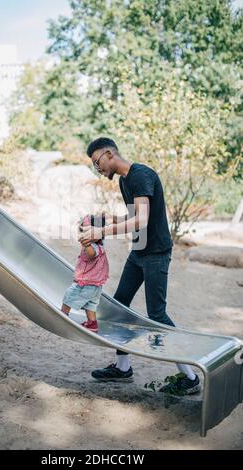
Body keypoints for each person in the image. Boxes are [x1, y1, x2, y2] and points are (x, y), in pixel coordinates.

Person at [79, 137, 200, 395]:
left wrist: (103, 230)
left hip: (156, 253)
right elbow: (134, 217)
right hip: (139, 253)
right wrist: (107, 219)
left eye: (97, 162)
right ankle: (123, 369)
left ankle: (190, 377)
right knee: (119, 307)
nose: (98, 169)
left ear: (109, 154)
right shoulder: (125, 181)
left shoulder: (140, 175)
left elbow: (142, 220)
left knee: (157, 315)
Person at [61, 214, 109, 333]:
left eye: (87, 233)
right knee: (90, 305)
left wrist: (87, 244)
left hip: (86, 284)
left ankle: (62, 315)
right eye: (82, 231)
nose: (83, 235)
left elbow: (92, 254)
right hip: (95, 285)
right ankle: (92, 323)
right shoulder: (98, 246)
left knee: (69, 296)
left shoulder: (94, 247)